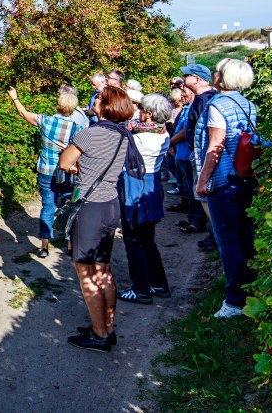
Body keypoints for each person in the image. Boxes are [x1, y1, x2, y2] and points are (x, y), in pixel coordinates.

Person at [58, 86, 145, 352]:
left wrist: (76, 163)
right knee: (104, 270)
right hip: (110, 204)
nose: (95, 101)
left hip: (90, 208)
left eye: (98, 99)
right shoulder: (123, 136)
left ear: (105, 107)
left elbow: (64, 163)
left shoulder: (89, 134)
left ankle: (99, 334)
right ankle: (107, 326)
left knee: (85, 273)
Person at [195, 58, 259, 319]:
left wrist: (202, 182)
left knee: (228, 241)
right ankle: (251, 290)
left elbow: (215, 147)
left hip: (224, 181)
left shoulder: (218, 105)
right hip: (244, 178)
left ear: (223, 77)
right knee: (245, 238)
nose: (214, 74)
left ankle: (234, 301)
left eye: (218, 71)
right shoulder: (248, 105)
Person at [6, 86, 78, 258]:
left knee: (47, 206)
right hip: (67, 171)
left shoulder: (45, 121)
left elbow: (24, 114)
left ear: (57, 105)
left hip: (46, 169)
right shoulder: (76, 128)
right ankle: (70, 245)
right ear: (73, 108)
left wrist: (15, 97)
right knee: (69, 206)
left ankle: (44, 246)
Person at [118, 93, 173, 304]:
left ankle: (140, 288)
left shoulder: (140, 138)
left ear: (149, 114)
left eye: (141, 109)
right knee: (147, 239)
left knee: (133, 239)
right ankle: (159, 284)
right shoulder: (163, 134)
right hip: (153, 187)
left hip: (136, 186)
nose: (138, 112)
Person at [178, 64, 217, 248]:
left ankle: (215, 235)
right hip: (198, 152)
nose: (183, 80)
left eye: (187, 76)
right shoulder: (202, 99)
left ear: (198, 79)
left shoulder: (204, 100)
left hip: (202, 153)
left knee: (203, 195)